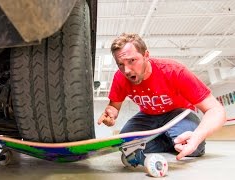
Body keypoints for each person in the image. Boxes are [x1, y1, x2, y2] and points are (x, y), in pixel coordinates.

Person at [97, 33, 226, 160]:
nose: (127, 70)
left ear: (146, 55)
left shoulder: (174, 71)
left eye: (132, 61)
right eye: (120, 64)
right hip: (147, 115)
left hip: (178, 114)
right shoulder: (120, 78)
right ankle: (167, 141)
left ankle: (170, 139)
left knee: (192, 149)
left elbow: (215, 110)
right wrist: (111, 114)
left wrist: (198, 136)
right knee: (126, 146)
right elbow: (114, 106)